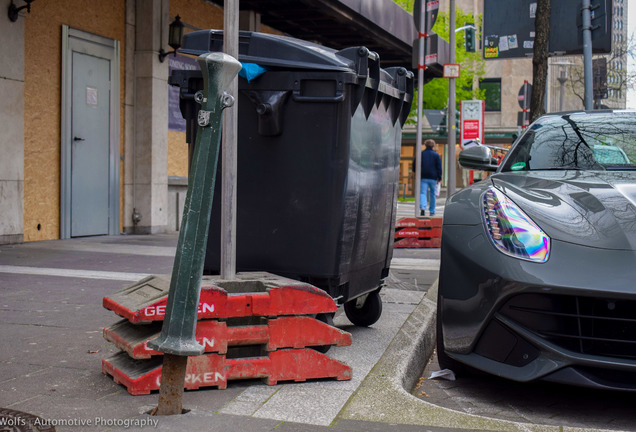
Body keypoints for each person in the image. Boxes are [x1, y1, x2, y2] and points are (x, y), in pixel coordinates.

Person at [420, 139, 442, 217]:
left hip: (423, 176)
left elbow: (415, 164)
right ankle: (432, 211)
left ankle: (422, 208)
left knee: (423, 193)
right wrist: (439, 177)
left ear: (425, 145)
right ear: (433, 146)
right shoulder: (436, 155)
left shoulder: (421, 154)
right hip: (433, 177)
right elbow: (439, 167)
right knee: (433, 194)